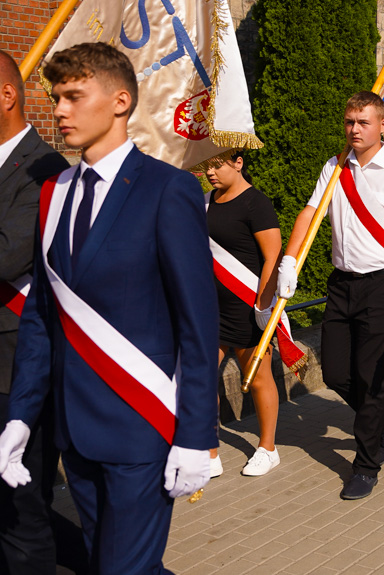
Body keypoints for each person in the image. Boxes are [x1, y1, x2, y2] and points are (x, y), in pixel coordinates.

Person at [0, 43, 218, 573]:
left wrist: (197, 437)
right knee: (107, 563)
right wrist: (21, 416)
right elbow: (41, 320)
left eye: (75, 96)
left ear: (121, 101)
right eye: (56, 98)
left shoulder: (168, 190)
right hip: (76, 431)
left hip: (142, 426)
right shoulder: (53, 191)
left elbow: (197, 324)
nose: (59, 111)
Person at [276, 91, 384, 500]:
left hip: (383, 285)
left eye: (363, 122)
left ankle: (365, 465)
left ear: (382, 126)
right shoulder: (334, 167)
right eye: (349, 122)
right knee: (335, 374)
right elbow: (311, 212)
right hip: (342, 283)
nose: (354, 129)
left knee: (367, 375)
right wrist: (289, 261)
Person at [0, 50, 72, 575]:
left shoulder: (45, 167)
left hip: (14, 358)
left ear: (7, 96)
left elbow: (8, 253)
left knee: (22, 505)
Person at [205, 152, 283, 477]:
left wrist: (263, 307)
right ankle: (209, 454)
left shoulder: (256, 204)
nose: (209, 171)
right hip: (211, 308)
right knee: (200, 379)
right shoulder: (205, 201)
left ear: (238, 162)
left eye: (216, 164)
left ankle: (268, 448)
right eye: (206, 165)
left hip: (248, 306)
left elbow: (272, 255)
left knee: (259, 378)